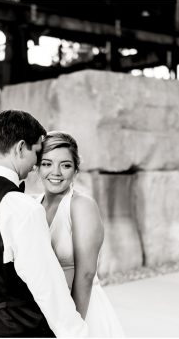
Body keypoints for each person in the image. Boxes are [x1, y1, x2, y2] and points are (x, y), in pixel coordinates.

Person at [0, 110, 88, 337]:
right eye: (37, 153)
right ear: (20, 147)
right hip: (18, 330)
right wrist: (77, 333)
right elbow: (47, 287)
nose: (36, 164)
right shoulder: (22, 207)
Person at [37, 131, 126, 337]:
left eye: (66, 165)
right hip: (44, 311)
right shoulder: (34, 205)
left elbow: (85, 275)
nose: (56, 172)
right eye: (47, 163)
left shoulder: (81, 206)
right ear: (37, 167)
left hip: (80, 311)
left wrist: (71, 328)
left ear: (76, 169)